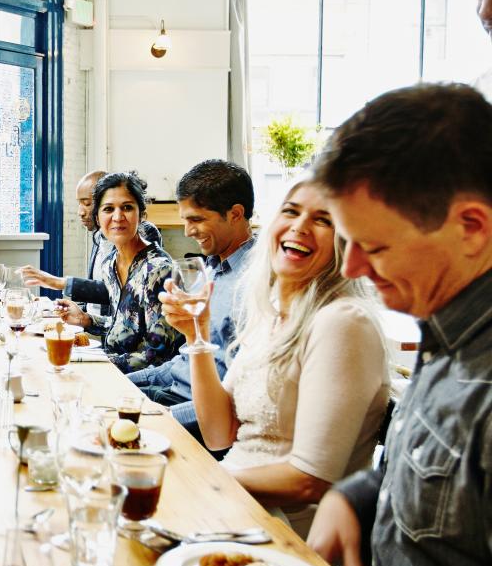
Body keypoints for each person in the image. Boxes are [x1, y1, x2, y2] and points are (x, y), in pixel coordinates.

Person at [307, 82, 492, 566]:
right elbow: (440, 477)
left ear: (470, 227)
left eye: (376, 246)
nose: (352, 266)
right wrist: (353, 496)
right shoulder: (447, 322)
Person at [162, 181, 388, 538]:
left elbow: (308, 481)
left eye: (323, 220)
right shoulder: (273, 311)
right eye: (291, 211)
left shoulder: (343, 322)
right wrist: (197, 335)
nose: (300, 226)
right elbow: (220, 433)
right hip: (235, 505)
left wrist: (200, 483)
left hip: (286, 534)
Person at [126, 160, 255, 441]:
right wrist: (121, 384)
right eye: (184, 219)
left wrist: (166, 421)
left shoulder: (255, 284)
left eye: (196, 219)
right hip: (169, 394)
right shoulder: (207, 269)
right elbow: (180, 363)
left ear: (235, 214)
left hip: (198, 418)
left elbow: (236, 403)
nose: (187, 231)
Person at [56, 172, 181, 372]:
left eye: (127, 207)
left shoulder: (158, 270)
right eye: (108, 209)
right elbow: (126, 329)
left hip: (146, 384)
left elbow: (158, 355)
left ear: (141, 214)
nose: (117, 217)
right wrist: (86, 320)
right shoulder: (110, 265)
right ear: (97, 217)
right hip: (116, 369)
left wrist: (98, 365)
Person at [19, 170, 166, 311]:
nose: (80, 212)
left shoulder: (142, 235)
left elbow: (123, 291)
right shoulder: (100, 235)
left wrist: (60, 282)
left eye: (87, 203)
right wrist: (72, 311)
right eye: (79, 203)